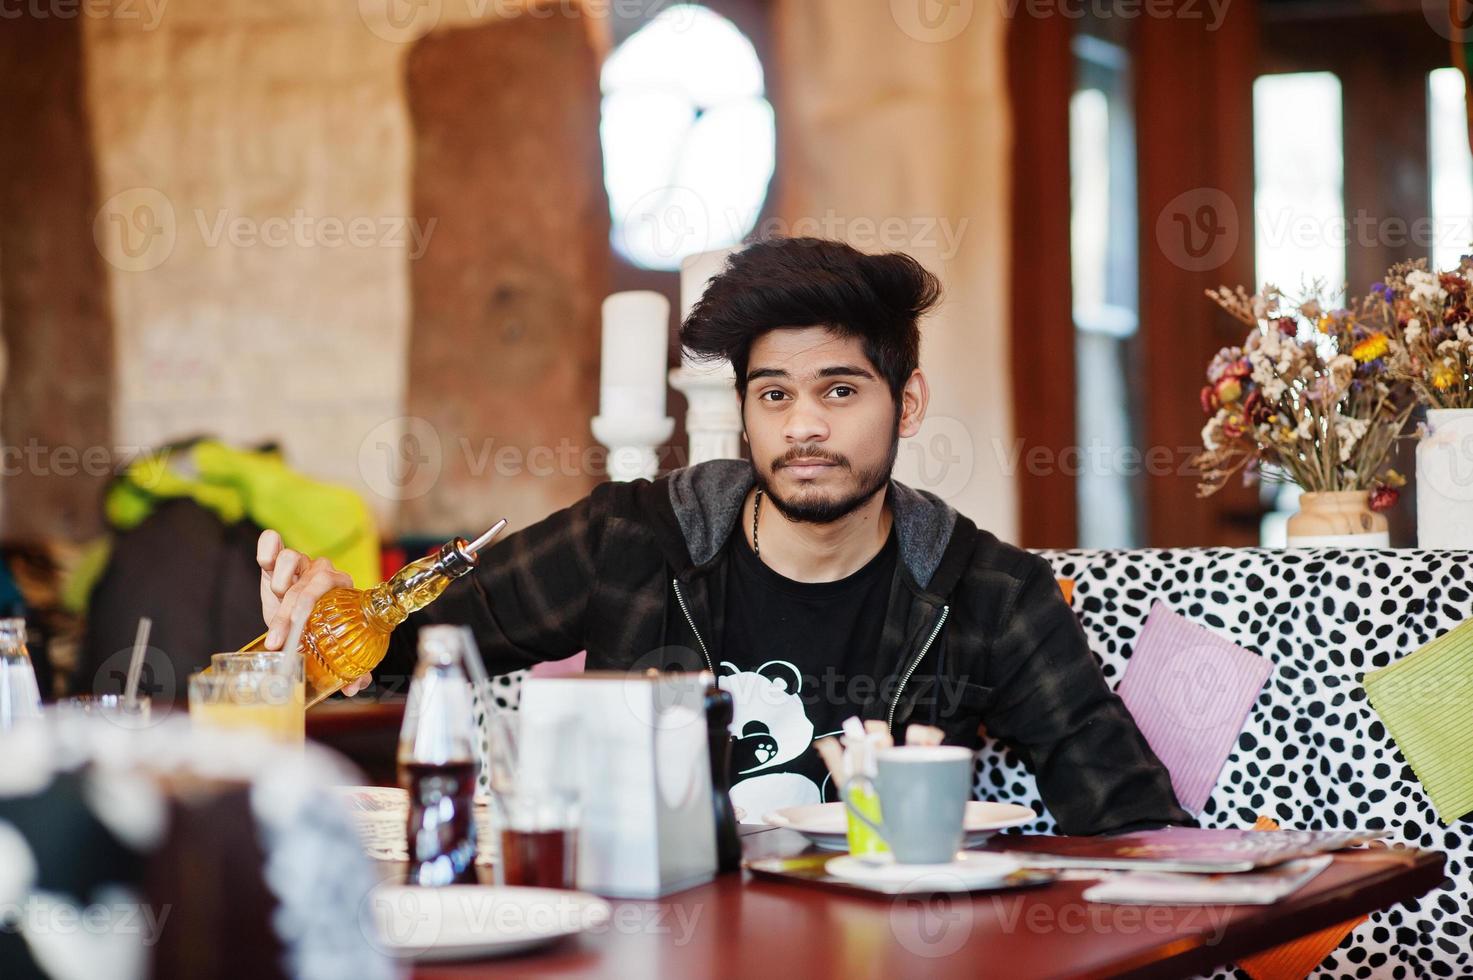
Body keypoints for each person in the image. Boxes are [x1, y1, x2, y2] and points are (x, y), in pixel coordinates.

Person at [257, 237, 1191, 835]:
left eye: (839, 390)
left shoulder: (983, 589)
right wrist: (326, 621)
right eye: (773, 395)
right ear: (744, 410)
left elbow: (1128, 819)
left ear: (905, 404)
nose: (804, 428)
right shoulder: (632, 537)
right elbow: (413, 645)